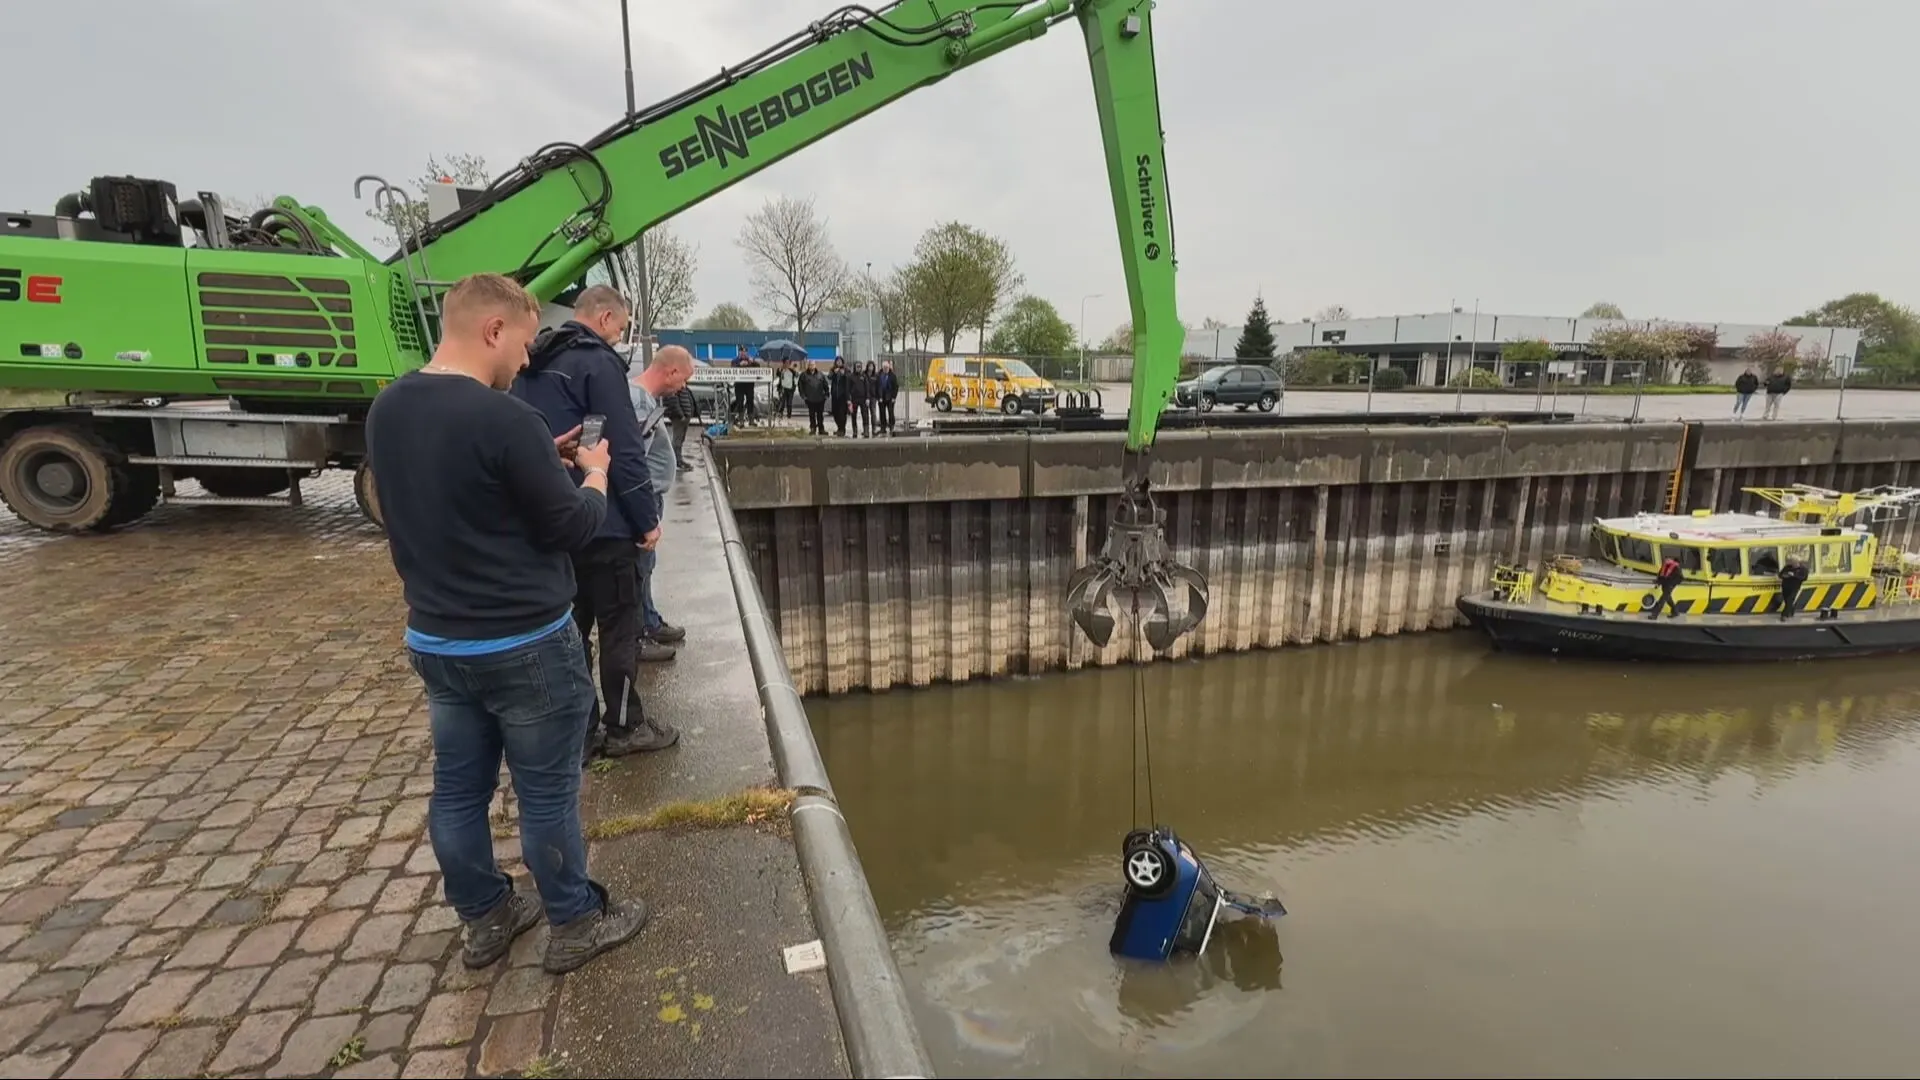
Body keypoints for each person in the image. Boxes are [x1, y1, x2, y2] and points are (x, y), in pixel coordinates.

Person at [365, 272, 648, 976]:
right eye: (522, 343)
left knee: (458, 790)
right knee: (546, 792)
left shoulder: (389, 408)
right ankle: (575, 922)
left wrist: (537, 459)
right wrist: (593, 476)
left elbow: (460, 485)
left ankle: (486, 918)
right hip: (524, 644)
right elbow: (572, 528)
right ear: (493, 330)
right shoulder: (504, 418)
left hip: (436, 640)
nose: (526, 361)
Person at [510, 285, 676, 759]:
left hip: (555, 522)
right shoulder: (597, 363)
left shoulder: (530, 364)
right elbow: (622, 449)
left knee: (570, 633)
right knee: (619, 630)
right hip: (605, 524)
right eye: (620, 328)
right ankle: (625, 727)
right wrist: (646, 520)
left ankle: (580, 735)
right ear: (604, 318)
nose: (620, 337)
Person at [629, 347, 696, 655]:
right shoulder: (640, 400)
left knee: (647, 566)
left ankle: (650, 620)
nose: (683, 387)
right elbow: (634, 463)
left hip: (651, 495)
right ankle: (640, 633)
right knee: (639, 567)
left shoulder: (645, 398)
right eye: (683, 380)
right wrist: (645, 518)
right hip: (646, 496)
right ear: (670, 372)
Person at [663, 379, 699, 473]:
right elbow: (672, 402)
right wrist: (681, 415)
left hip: (685, 417)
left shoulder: (682, 384)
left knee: (680, 440)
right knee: (677, 440)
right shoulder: (675, 385)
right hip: (679, 418)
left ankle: (679, 460)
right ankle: (676, 462)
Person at [798, 361, 828, 435]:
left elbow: (826, 385)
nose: (811, 366)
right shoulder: (804, 375)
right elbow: (800, 386)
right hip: (810, 399)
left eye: (813, 365)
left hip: (820, 399)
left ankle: (821, 429)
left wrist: (826, 395)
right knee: (812, 415)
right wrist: (803, 396)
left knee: (820, 415)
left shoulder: (820, 375)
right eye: (810, 365)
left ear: (815, 365)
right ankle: (813, 429)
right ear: (808, 366)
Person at [828, 357, 853, 437]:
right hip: (835, 395)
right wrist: (833, 373)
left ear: (842, 362)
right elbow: (829, 377)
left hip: (843, 395)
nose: (838, 363)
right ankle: (839, 428)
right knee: (835, 413)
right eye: (837, 361)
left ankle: (842, 429)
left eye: (840, 361)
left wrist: (844, 374)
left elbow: (850, 378)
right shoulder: (833, 369)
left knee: (842, 413)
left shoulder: (846, 370)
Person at [876, 360, 899, 434]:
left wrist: (894, 397)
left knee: (890, 412)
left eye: (887, 367)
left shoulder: (892, 376)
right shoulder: (879, 375)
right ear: (882, 368)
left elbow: (896, 387)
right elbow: (877, 386)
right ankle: (883, 427)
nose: (886, 369)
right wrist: (878, 397)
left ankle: (891, 426)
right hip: (881, 397)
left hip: (890, 397)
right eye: (884, 367)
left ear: (889, 367)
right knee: (882, 413)